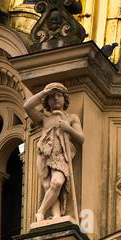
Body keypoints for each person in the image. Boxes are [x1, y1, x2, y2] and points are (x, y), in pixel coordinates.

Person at [23, 82, 84, 223]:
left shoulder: (71, 118)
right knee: (48, 186)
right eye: (51, 97)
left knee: (57, 183)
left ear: (64, 99)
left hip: (60, 156)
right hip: (44, 154)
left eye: (59, 95)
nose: (55, 98)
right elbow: (27, 107)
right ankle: (56, 216)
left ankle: (41, 211)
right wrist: (44, 92)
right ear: (47, 102)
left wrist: (68, 128)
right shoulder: (44, 118)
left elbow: (81, 138)